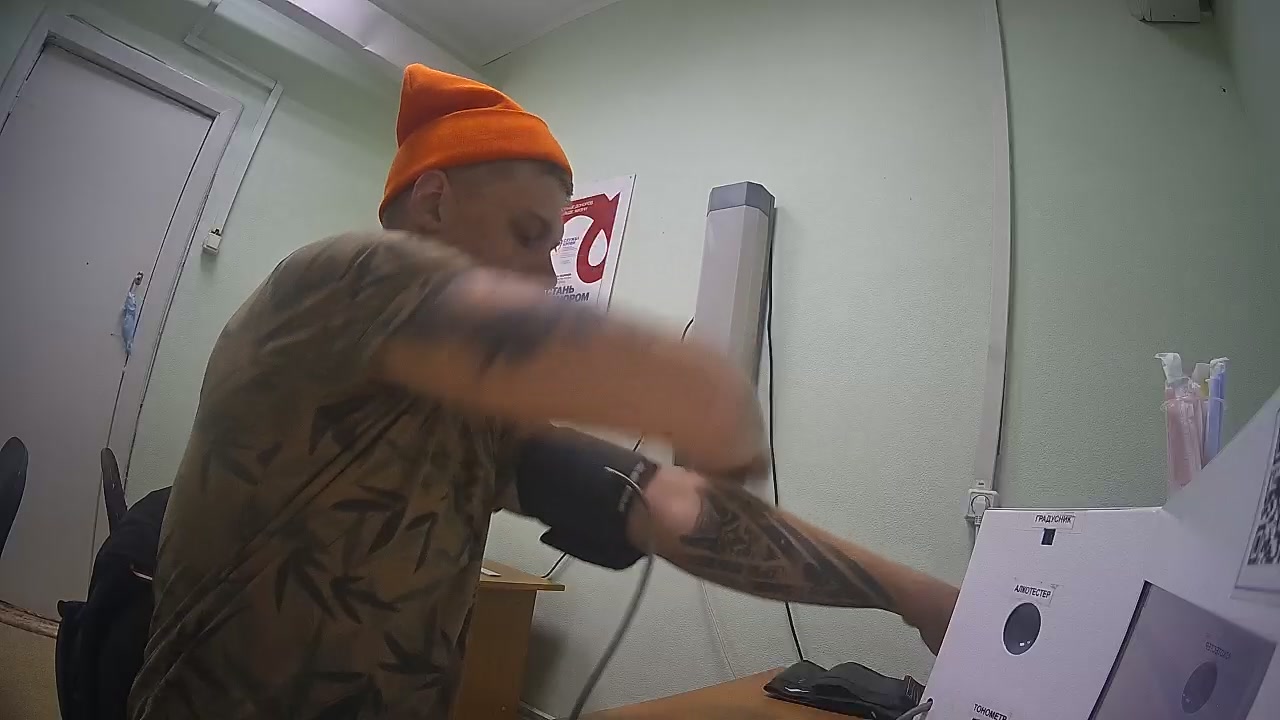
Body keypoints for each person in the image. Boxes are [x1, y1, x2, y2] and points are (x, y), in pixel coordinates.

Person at [128, 65, 959, 720]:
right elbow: (685, 387)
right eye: (527, 234)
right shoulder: (333, 281)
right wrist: (712, 394)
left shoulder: (476, 421)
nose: (541, 274)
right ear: (433, 200)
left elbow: (670, 505)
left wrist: (917, 597)